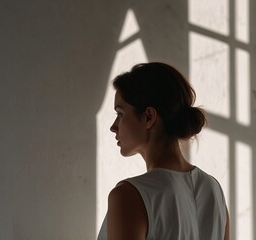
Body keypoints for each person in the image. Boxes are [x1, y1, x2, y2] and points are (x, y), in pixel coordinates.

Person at [97, 62, 229, 240]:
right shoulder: (213, 189)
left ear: (149, 117)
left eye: (120, 114)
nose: (113, 127)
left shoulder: (128, 196)